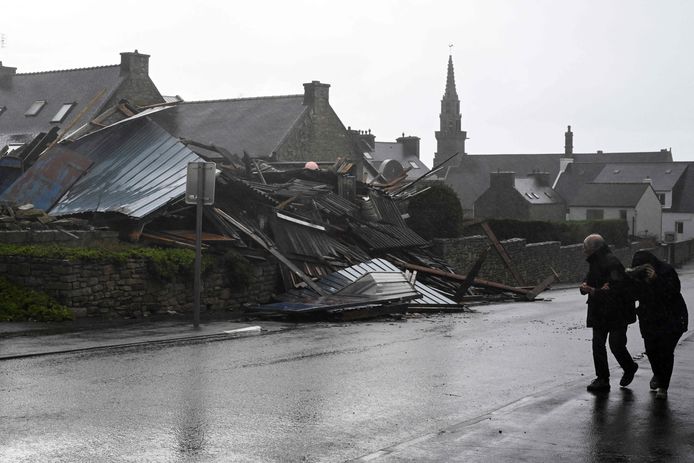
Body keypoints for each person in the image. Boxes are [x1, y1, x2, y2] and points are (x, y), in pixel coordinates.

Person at [580, 234, 639, 392]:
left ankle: (630, 367)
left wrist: (593, 290)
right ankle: (602, 379)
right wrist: (585, 286)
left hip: (618, 312)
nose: (584, 250)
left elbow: (616, 291)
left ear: (596, 248)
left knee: (616, 345)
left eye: (586, 247)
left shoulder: (612, 262)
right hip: (600, 311)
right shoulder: (594, 262)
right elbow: (590, 281)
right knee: (598, 344)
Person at [627, 250, 689, 399]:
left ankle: (663, 386)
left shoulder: (666, 271)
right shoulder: (639, 276)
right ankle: (658, 374)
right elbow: (634, 294)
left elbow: (673, 292)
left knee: (666, 353)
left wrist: (656, 279)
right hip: (649, 319)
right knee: (651, 350)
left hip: (672, 318)